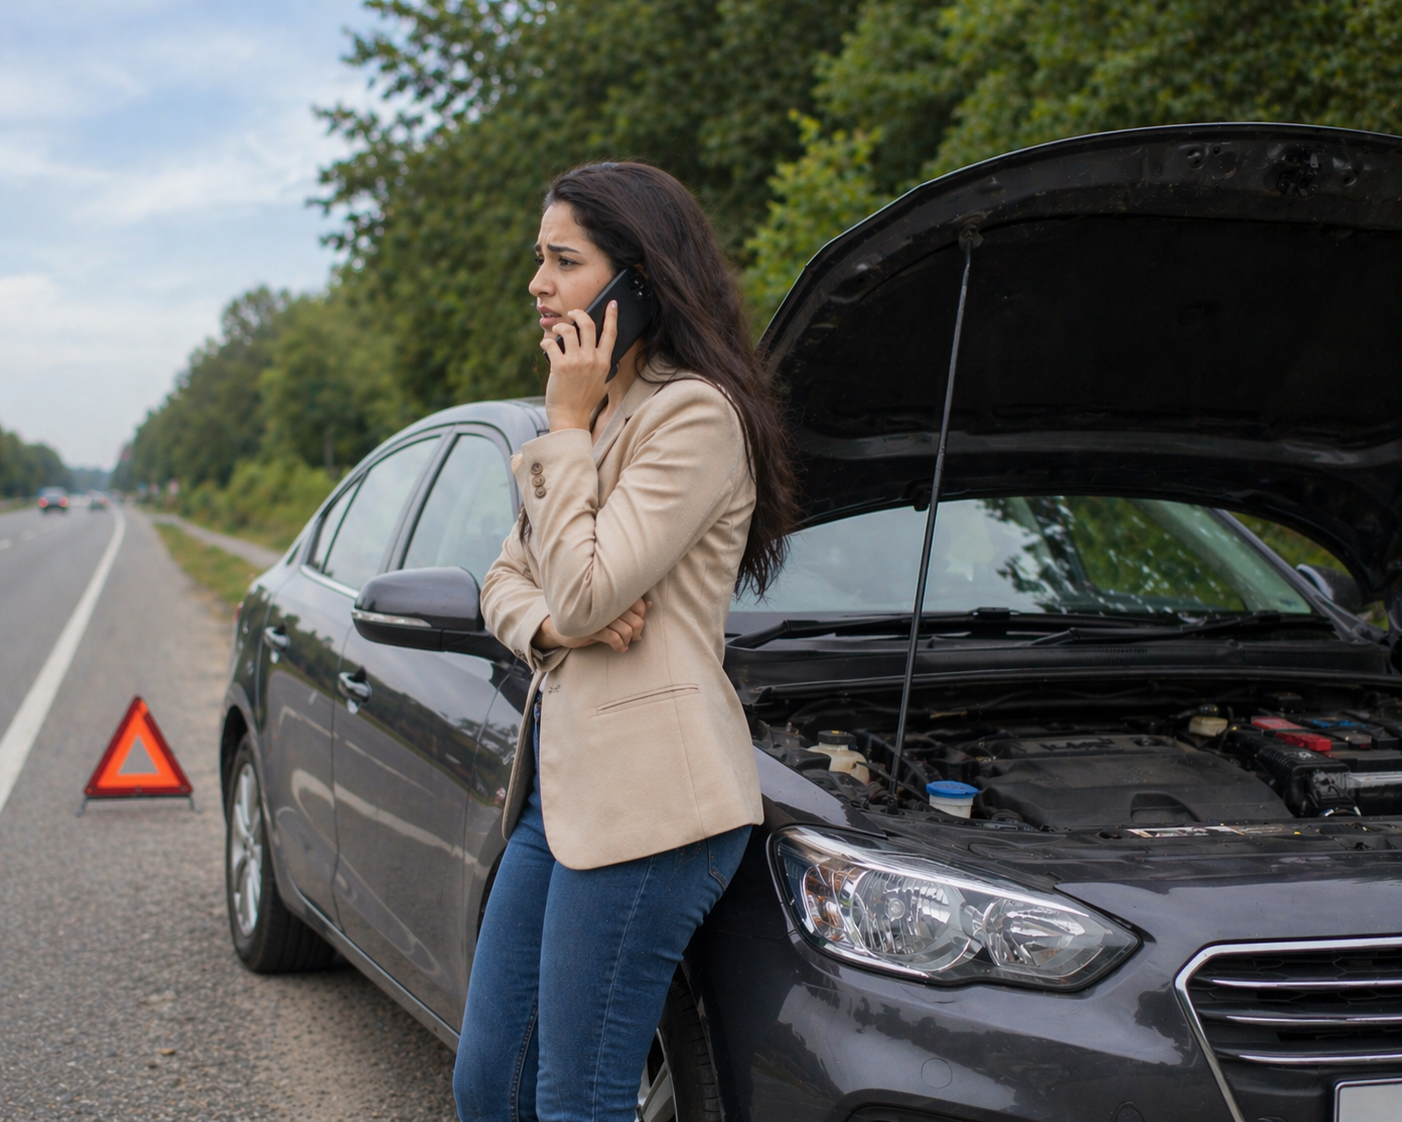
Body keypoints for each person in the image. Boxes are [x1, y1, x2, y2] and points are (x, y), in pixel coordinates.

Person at [452, 161, 796, 1122]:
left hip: (654, 805)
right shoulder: (597, 415)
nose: (538, 283)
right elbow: (508, 585)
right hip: (560, 796)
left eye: (563, 261)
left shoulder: (693, 415)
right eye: (539, 259)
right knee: (490, 1086)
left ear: (635, 280)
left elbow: (593, 578)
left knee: (581, 1099)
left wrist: (562, 430)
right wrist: (560, 626)